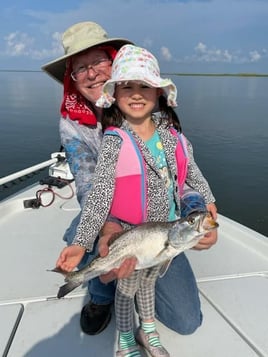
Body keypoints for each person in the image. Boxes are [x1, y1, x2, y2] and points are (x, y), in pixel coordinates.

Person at [43, 21, 217, 338]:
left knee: (185, 320)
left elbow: (184, 175)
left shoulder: (158, 112)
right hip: (107, 209)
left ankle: (136, 281)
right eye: (80, 68)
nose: (91, 73)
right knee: (88, 235)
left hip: (157, 222)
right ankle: (101, 295)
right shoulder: (72, 124)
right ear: (72, 79)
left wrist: (197, 211)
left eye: (97, 61)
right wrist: (108, 229)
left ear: (115, 63)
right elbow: (87, 186)